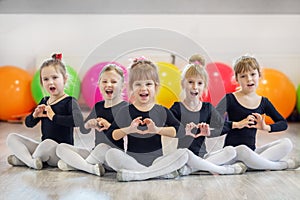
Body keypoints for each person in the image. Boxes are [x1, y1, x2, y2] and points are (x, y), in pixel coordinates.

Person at [104, 57, 246, 182]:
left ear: (156, 87)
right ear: (130, 87)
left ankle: (140, 175)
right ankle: (153, 174)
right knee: (111, 154)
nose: (143, 88)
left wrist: (157, 130)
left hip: (158, 161)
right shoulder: (125, 111)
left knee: (184, 153)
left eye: (148, 84)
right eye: (138, 84)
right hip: (132, 161)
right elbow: (112, 134)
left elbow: (178, 130)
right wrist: (129, 129)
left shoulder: (160, 110)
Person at [216, 55, 299, 170]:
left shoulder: (263, 102)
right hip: (232, 153)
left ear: (259, 75)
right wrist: (237, 124)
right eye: (243, 76)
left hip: (252, 152)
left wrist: (265, 127)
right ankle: (280, 166)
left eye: (252, 74)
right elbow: (213, 125)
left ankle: (249, 166)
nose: (249, 79)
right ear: (236, 79)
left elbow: (283, 123)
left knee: (287, 143)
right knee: (242, 149)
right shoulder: (229, 99)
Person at [6, 53, 84, 169]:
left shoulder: (69, 101)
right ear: (42, 83)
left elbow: (78, 121)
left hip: (60, 151)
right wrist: (35, 115)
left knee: (48, 143)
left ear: (65, 79)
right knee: (12, 137)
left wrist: (54, 117)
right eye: (46, 79)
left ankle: (26, 160)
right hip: (43, 148)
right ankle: (32, 161)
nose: (50, 82)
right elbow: (29, 123)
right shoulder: (44, 101)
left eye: (55, 77)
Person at [56, 63, 128, 176]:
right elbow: (84, 129)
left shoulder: (125, 107)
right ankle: (89, 167)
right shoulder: (98, 106)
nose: (109, 84)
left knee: (102, 147)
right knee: (61, 148)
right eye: (104, 81)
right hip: (95, 153)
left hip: (112, 156)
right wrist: (88, 124)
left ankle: (78, 166)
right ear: (99, 85)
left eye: (114, 82)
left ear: (122, 86)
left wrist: (108, 125)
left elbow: (123, 132)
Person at [170, 54, 236, 171]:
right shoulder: (177, 108)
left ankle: (192, 169)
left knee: (230, 151)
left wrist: (208, 132)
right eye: (190, 82)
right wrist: (183, 130)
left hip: (203, 156)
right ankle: (220, 170)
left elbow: (223, 127)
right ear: (183, 84)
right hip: (183, 156)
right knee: (185, 154)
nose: (195, 87)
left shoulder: (207, 108)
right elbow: (166, 127)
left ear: (204, 86)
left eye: (199, 83)